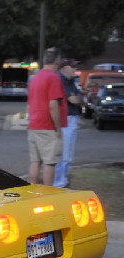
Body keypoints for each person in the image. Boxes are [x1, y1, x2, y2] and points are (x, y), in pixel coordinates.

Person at [27, 47, 67, 186]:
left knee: (35, 161)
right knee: (50, 162)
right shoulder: (53, 78)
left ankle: (33, 190)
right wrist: (58, 128)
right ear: (57, 61)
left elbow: (30, 103)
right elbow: (53, 105)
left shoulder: (35, 78)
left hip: (34, 125)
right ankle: (47, 193)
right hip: (47, 126)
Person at [54, 59, 82, 188]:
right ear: (64, 68)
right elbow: (73, 99)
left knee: (68, 153)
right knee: (64, 153)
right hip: (66, 119)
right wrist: (77, 98)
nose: (74, 69)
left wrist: (78, 98)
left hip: (72, 118)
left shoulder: (70, 81)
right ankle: (59, 182)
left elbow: (79, 98)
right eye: (72, 67)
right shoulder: (61, 81)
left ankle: (62, 179)